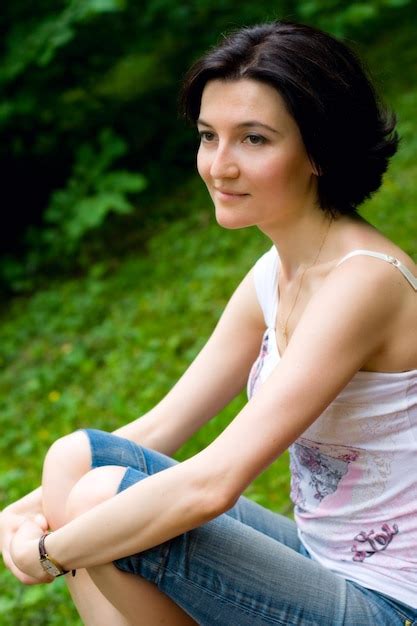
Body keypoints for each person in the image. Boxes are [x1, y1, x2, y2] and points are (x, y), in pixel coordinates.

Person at [1, 20, 416, 626]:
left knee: (101, 500)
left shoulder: (366, 283)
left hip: (392, 604)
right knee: (77, 463)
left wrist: (48, 551)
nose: (219, 166)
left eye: (253, 139)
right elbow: (165, 424)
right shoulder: (275, 275)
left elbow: (212, 483)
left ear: (319, 150)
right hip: (322, 563)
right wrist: (21, 511)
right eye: (208, 136)